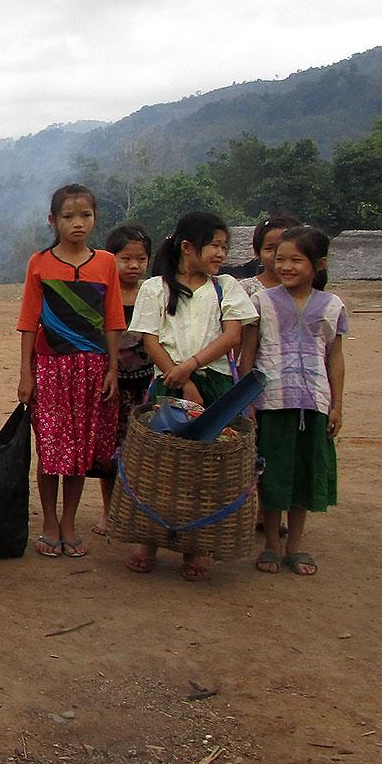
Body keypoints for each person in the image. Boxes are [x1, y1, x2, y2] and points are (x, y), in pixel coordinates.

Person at [126, 211, 258, 580]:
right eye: (215, 245)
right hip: (168, 383)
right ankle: (149, 539)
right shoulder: (155, 289)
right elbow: (149, 339)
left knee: (209, 468)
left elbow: (232, 336)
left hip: (214, 385)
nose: (220, 253)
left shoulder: (227, 287)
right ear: (188, 247)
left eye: (224, 246)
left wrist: (190, 368)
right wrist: (181, 379)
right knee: (160, 464)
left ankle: (197, 546)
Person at [15, 184, 124, 559]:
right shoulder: (40, 262)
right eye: (68, 216)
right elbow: (29, 321)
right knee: (50, 447)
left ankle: (70, 523)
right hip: (49, 367)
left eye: (85, 216)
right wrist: (26, 374)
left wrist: (112, 368)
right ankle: (48, 522)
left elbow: (112, 320)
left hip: (92, 367)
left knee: (80, 450)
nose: (77, 223)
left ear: (95, 218)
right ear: (53, 220)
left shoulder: (106, 262)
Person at [238, 226, 346, 577]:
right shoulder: (261, 302)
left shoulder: (332, 306)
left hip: (313, 402)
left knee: (304, 473)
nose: (285, 266)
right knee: (272, 474)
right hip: (272, 400)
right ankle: (270, 543)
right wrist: (246, 399)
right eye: (279, 258)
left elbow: (335, 357)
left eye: (296, 260)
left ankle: (295, 546)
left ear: (319, 264)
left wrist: (337, 404)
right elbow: (248, 353)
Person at [93, 224, 154, 538]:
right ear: (109, 258)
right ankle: (109, 511)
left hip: (145, 386)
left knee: (142, 452)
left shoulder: (153, 293)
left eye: (141, 259)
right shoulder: (102, 292)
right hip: (113, 384)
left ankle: (137, 512)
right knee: (110, 451)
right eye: (126, 258)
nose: (134, 265)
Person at [238, 215, 301, 296]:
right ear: (257, 252)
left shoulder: (307, 287)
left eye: (286, 247)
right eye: (269, 248)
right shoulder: (245, 289)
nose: (278, 254)